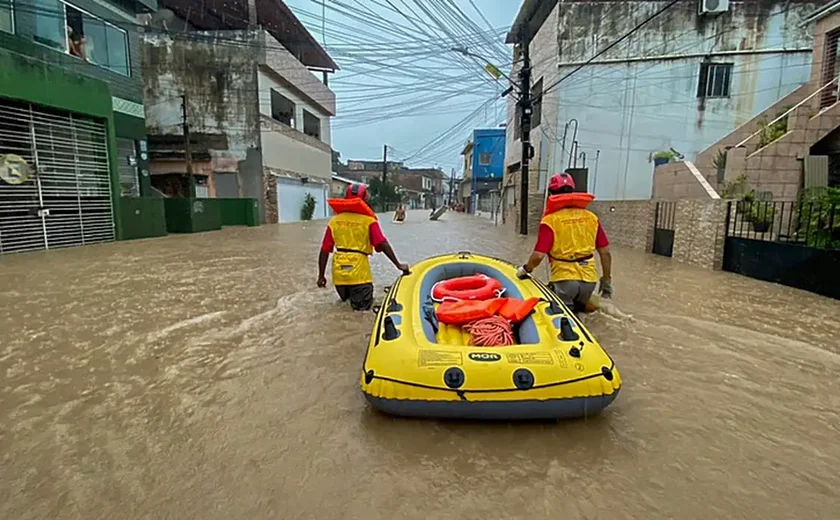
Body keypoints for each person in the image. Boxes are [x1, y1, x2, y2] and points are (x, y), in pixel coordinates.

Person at [516, 172, 613, 312]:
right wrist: (606, 280)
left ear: (551, 194)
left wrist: (526, 269)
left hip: (564, 281)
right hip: (589, 281)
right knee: (582, 316)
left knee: (564, 319)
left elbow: (538, 256)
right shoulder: (591, 218)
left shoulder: (550, 220)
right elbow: (606, 252)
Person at [318, 184, 409, 311]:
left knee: (346, 310)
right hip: (359, 274)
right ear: (365, 200)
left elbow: (324, 250)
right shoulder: (368, 221)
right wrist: (398, 265)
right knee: (362, 313)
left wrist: (321, 276)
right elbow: (382, 244)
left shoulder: (334, 221)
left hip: (339, 275)